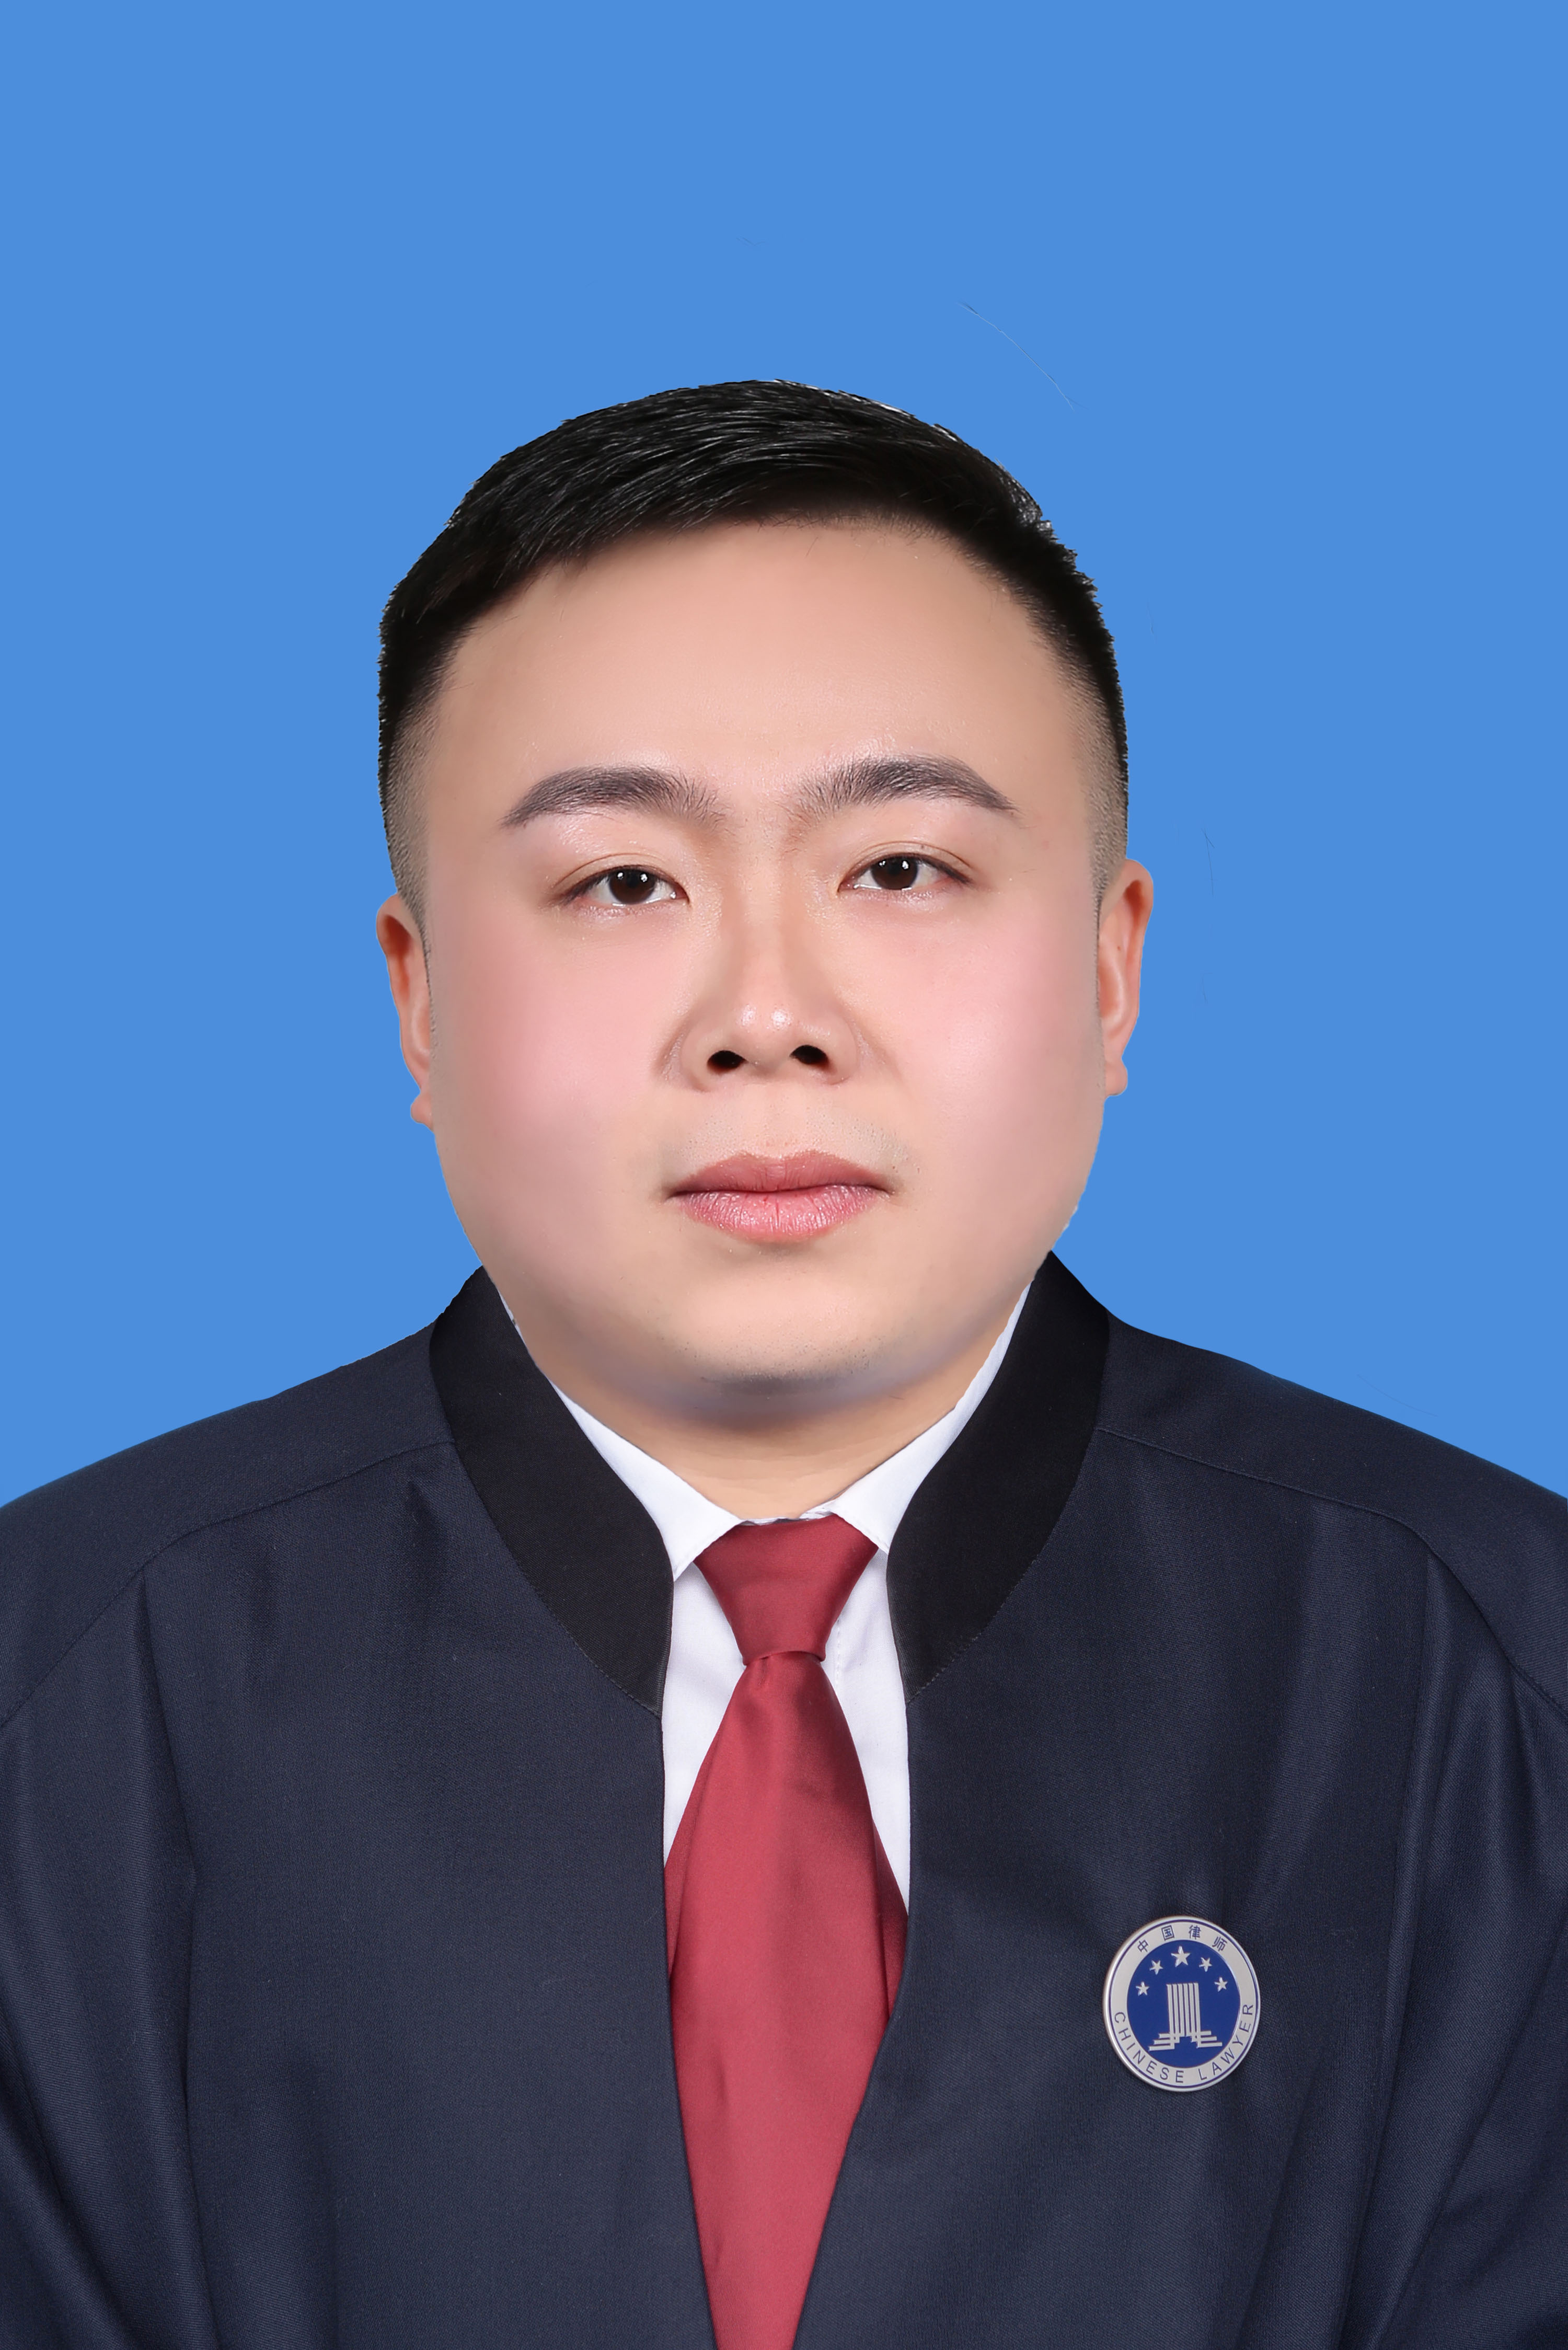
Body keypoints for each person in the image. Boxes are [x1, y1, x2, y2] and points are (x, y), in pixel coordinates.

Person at [1, 381, 1563, 2350]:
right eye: (621, 883)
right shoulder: (58, 1698)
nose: (765, 1015)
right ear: (419, 998)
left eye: (900, 869)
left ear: (1110, 971)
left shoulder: (1496, 1685)